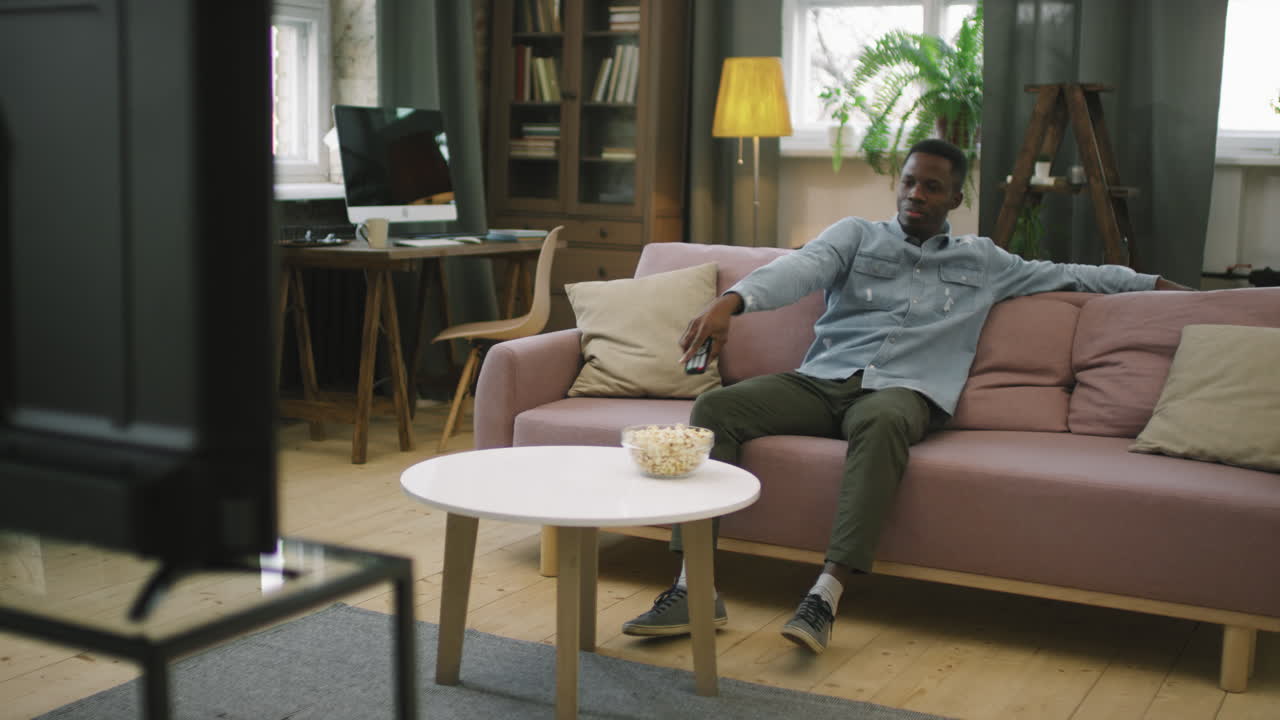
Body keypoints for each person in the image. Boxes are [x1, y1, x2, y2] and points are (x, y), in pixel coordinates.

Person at [619, 138, 1192, 653]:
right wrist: (731, 302)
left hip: (904, 392)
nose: (917, 194)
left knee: (885, 421)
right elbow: (797, 269)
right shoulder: (854, 236)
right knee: (717, 407)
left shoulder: (986, 261)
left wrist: (1159, 288)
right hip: (822, 382)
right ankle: (693, 588)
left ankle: (825, 595)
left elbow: (1074, 274)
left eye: (932, 187)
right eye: (910, 182)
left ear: (954, 197)